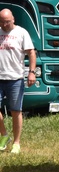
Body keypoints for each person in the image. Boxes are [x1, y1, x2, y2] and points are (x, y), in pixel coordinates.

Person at [0, 9, 36, 154]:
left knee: (16, 111)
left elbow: (31, 53)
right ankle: (4, 135)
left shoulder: (21, 33)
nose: (4, 24)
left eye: (7, 22)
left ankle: (16, 143)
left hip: (15, 79)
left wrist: (31, 73)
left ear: (13, 19)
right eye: (1, 22)